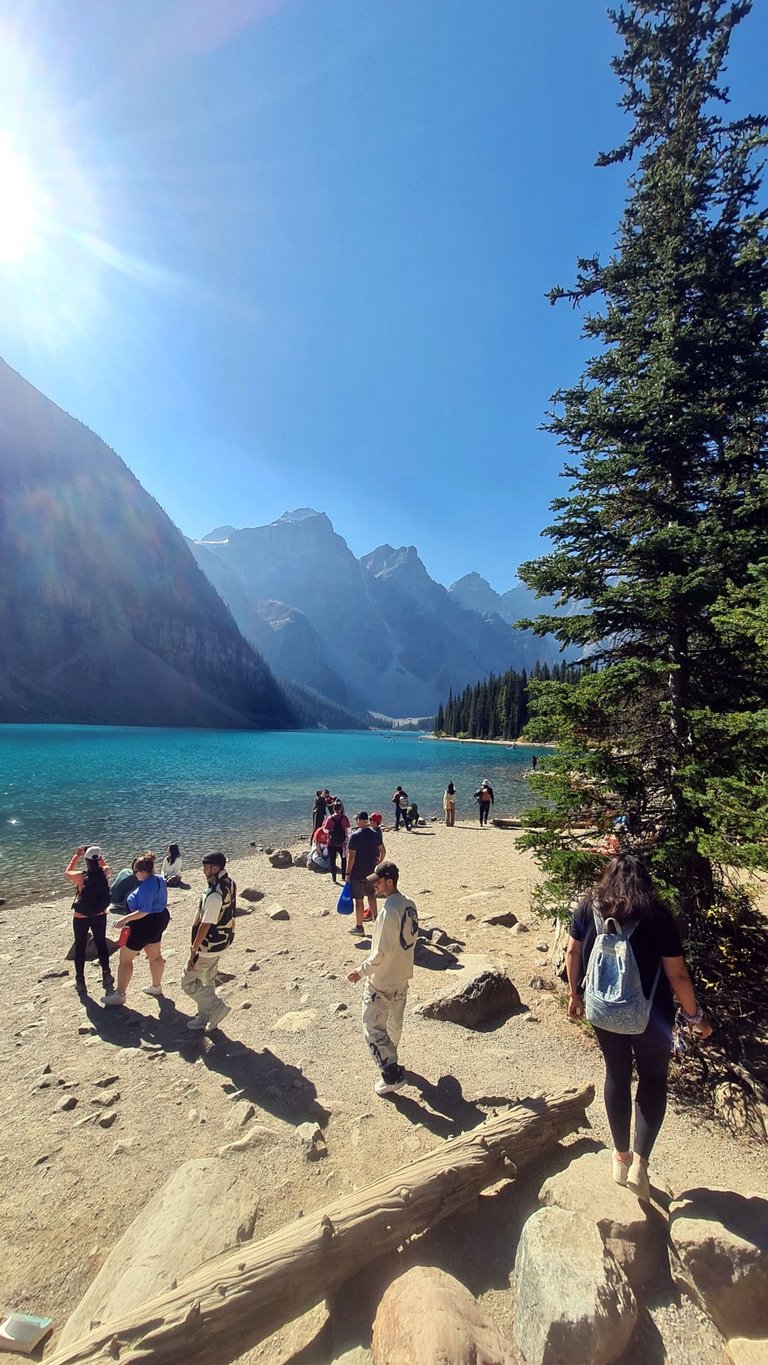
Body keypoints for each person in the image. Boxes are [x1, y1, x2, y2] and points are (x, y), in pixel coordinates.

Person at [565, 853, 712, 1200]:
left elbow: (573, 953)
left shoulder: (589, 907)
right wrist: (695, 1018)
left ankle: (619, 1157)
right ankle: (640, 1165)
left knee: (616, 1076)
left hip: (603, 1012)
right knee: (652, 1079)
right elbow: (677, 974)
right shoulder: (657, 914)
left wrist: (575, 995)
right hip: (652, 1015)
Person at [347, 862, 419, 1095]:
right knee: (394, 1023)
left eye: (378, 882)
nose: (374, 886)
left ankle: (391, 1074)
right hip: (402, 976)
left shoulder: (389, 911)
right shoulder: (409, 904)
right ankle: (393, 1057)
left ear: (390, 881)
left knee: (373, 1028)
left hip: (382, 981)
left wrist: (360, 971)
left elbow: (381, 952)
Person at [105, 851, 170, 1005]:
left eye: (135, 871)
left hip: (144, 924)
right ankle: (156, 986)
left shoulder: (147, 886)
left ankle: (120, 994)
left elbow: (144, 911)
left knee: (125, 960)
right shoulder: (159, 879)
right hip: (159, 920)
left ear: (142, 872)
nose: (134, 874)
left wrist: (124, 919)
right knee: (155, 955)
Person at [181, 852, 235, 1033]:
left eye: (205, 867)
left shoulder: (214, 894)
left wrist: (194, 949)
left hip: (208, 945)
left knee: (188, 982)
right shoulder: (229, 883)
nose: (203, 871)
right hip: (222, 941)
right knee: (207, 980)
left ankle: (216, 1007)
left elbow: (206, 923)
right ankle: (205, 1017)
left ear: (215, 868)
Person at [65, 845, 114, 997]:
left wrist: (77, 855)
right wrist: (97, 856)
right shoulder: (105, 872)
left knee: (80, 947)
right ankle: (106, 974)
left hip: (81, 916)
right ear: (99, 859)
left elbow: (67, 873)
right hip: (100, 914)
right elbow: (104, 865)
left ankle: (80, 981)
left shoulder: (80, 876)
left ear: (86, 861)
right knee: (101, 944)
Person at [345, 812, 385, 933]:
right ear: (367, 820)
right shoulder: (374, 834)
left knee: (359, 899)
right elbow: (382, 850)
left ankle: (359, 927)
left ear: (358, 820)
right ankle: (376, 919)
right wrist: (379, 861)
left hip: (357, 872)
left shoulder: (355, 836)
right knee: (371, 894)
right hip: (370, 870)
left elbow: (351, 856)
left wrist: (347, 873)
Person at [323, 800, 350, 883]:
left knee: (332, 861)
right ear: (341, 808)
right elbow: (348, 830)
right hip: (342, 843)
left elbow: (325, 830)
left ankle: (334, 879)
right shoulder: (344, 818)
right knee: (344, 859)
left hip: (332, 843)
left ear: (333, 808)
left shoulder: (330, 818)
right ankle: (343, 876)